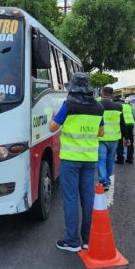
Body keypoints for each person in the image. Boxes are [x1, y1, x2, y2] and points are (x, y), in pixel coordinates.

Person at [49, 72, 104, 253]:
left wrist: (54, 116)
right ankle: (87, 239)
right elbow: (101, 133)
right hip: (89, 160)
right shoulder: (98, 108)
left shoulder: (68, 105)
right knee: (88, 199)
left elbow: (52, 127)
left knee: (71, 199)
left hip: (71, 161)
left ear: (72, 88)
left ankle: (72, 241)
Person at [97, 87, 130, 191]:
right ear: (111, 94)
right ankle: (108, 180)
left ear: (102, 93)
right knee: (110, 160)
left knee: (101, 160)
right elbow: (122, 123)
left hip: (101, 138)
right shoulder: (119, 106)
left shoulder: (98, 105)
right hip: (115, 138)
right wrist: (127, 137)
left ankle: (104, 181)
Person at [116, 99, 135, 164]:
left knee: (120, 142)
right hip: (130, 124)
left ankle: (120, 159)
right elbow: (133, 116)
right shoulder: (129, 106)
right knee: (130, 141)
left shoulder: (117, 105)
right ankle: (130, 158)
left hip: (122, 124)